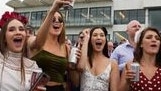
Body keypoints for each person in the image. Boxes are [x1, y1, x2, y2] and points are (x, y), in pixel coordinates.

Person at [29, 0, 74, 91]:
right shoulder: (33, 40)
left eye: (60, 20)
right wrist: (53, 9)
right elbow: (37, 42)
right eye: (52, 19)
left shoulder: (66, 47)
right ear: (45, 23)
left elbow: (69, 76)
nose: (57, 21)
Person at [0, 11, 43, 91]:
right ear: (4, 38)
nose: (18, 32)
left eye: (21, 29)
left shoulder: (33, 66)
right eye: (11, 30)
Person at [77, 27, 120, 91]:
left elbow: (114, 89)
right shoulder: (83, 60)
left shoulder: (113, 64)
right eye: (95, 35)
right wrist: (86, 39)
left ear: (105, 40)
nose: (99, 37)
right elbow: (80, 67)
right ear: (90, 40)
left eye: (102, 35)